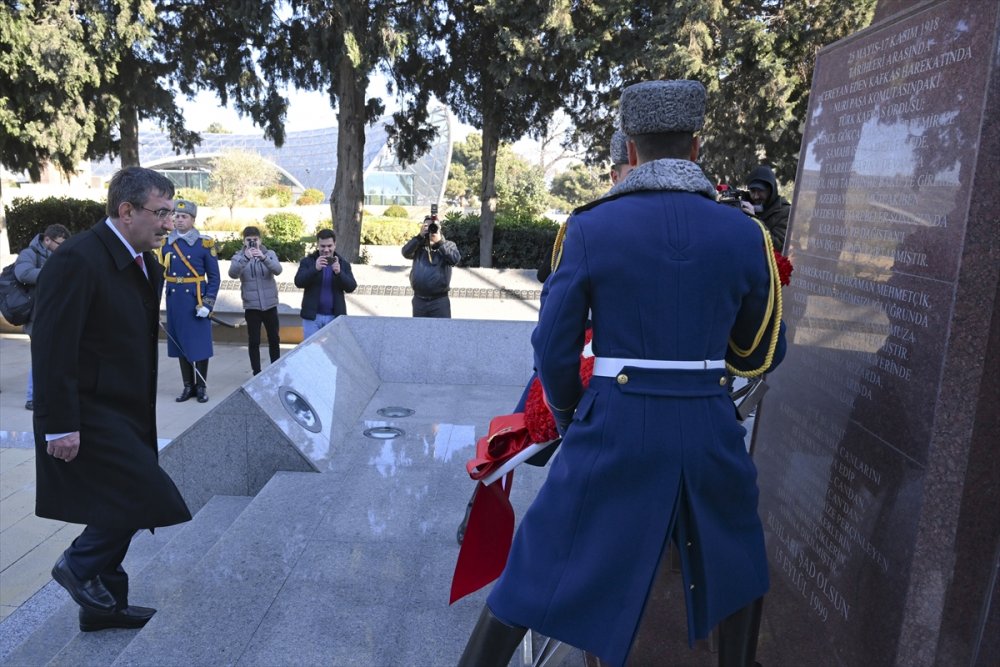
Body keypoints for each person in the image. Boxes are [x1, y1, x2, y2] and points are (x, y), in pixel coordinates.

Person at [458, 80, 787, 667]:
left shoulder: (589, 227)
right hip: (710, 427)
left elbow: (554, 349)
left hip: (613, 422)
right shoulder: (746, 233)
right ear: (695, 146)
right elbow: (763, 351)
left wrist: (569, 416)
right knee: (736, 555)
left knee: (540, 558)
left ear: (629, 151)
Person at [30, 166, 191, 632]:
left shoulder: (146, 262)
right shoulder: (79, 259)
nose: (168, 223)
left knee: (114, 502)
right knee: (147, 494)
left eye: (171, 213)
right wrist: (59, 424)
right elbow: (52, 345)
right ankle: (77, 566)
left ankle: (102, 609)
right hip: (88, 409)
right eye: (160, 213)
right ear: (126, 211)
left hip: (128, 408)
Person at [159, 199, 220, 403]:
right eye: (176, 215)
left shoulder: (204, 244)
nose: (178, 220)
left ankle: (201, 386)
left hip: (196, 301)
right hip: (175, 301)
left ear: (193, 219)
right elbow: (161, 276)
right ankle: (188, 386)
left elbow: (214, 277)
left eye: (184, 216)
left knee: (199, 344)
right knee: (180, 344)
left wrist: (208, 304)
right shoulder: (166, 244)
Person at [14, 223, 70, 410]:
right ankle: (33, 397)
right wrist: (55, 273)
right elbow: (23, 273)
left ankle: (49, 394)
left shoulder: (60, 255)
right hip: (37, 316)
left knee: (55, 357)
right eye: (59, 244)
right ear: (47, 240)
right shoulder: (29, 254)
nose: (62, 248)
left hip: (58, 315)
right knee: (40, 357)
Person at [228, 226, 282, 375]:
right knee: (254, 341)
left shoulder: (269, 254)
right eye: (249, 240)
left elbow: (278, 270)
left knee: (274, 339)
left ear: (260, 240)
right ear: (244, 241)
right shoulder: (239, 256)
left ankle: (276, 369)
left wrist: (263, 258)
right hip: (252, 307)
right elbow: (232, 273)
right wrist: (246, 258)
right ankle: (256, 372)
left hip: (270, 305)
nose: (252, 242)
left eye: (255, 239)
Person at [294, 228, 357, 338]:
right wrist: (315, 268)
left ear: (335, 245)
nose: (326, 249)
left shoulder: (343, 264)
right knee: (311, 353)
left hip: (334, 318)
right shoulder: (308, 262)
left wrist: (339, 272)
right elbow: (299, 282)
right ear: (318, 245)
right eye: (323, 246)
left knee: (332, 353)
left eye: (329, 246)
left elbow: (351, 287)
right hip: (312, 318)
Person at [401, 215, 461, 318]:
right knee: (419, 331)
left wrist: (440, 242)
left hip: (439, 301)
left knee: (441, 331)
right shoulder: (418, 245)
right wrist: (419, 236)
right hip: (419, 300)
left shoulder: (448, 245)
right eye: (427, 226)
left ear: (439, 228)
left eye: (433, 226)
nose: (430, 229)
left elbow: (455, 259)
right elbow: (405, 252)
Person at [740, 164, 790, 253]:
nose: (755, 196)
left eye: (760, 191)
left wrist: (755, 220)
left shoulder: (785, 212)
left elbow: (779, 247)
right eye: (752, 191)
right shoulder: (745, 204)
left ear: (771, 191)